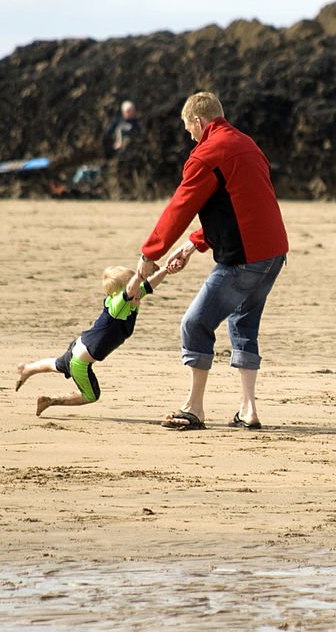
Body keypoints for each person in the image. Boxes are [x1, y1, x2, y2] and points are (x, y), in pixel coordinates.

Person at [131, 91, 288, 431]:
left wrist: (149, 254)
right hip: (274, 253)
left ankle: (194, 408)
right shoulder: (246, 144)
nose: (189, 135)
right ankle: (248, 410)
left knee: (194, 324)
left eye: (188, 128)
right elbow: (240, 204)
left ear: (199, 122)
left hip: (245, 259)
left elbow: (180, 207)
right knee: (243, 325)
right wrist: (192, 245)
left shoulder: (206, 154)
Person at [16, 264, 168, 416]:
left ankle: (28, 369)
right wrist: (140, 274)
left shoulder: (130, 297)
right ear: (118, 293)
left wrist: (167, 268)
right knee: (91, 396)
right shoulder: (118, 306)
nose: (138, 290)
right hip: (80, 362)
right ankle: (50, 400)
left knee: (56, 364)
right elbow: (130, 290)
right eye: (135, 285)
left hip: (80, 345)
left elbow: (149, 284)